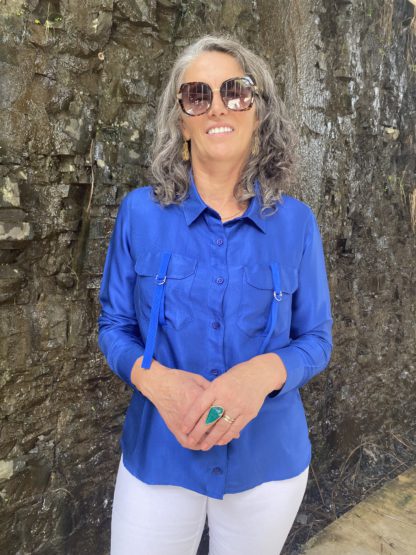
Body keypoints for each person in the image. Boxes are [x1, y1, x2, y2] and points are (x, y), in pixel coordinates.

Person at [98, 34, 333, 555]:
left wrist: (262, 374)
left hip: (266, 464)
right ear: (180, 119)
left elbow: (316, 339)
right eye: (197, 95)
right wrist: (155, 381)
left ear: (258, 111)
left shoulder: (296, 224)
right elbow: (114, 327)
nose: (218, 107)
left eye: (236, 91)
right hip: (160, 455)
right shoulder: (139, 213)